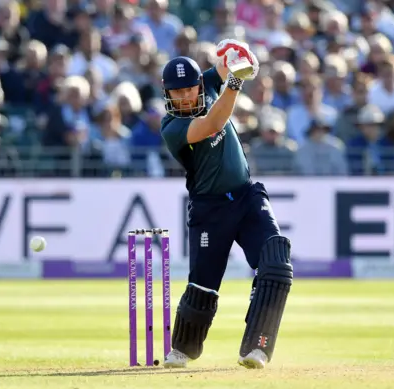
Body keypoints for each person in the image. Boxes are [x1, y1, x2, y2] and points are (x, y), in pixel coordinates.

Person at [159, 39, 293, 370]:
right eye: (178, 93)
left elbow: (229, 63)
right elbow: (212, 124)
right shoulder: (172, 128)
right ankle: (183, 349)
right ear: (168, 95)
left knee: (275, 261)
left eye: (190, 89)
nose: (187, 96)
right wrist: (235, 81)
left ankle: (257, 347)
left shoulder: (206, 86)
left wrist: (239, 54)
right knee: (203, 285)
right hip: (210, 210)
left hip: (247, 197)